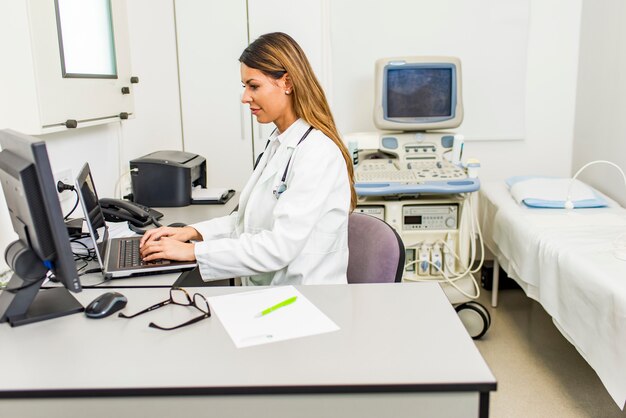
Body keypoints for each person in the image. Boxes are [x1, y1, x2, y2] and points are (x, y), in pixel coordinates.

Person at [139, 32, 356, 285]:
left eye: (254, 86)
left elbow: (279, 247)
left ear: (287, 83)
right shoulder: (279, 143)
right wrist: (192, 232)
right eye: (245, 87)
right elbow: (248, 224)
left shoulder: (317, 153)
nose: (245, 98)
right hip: (272, 295)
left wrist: (193, 252)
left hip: (306, 301)